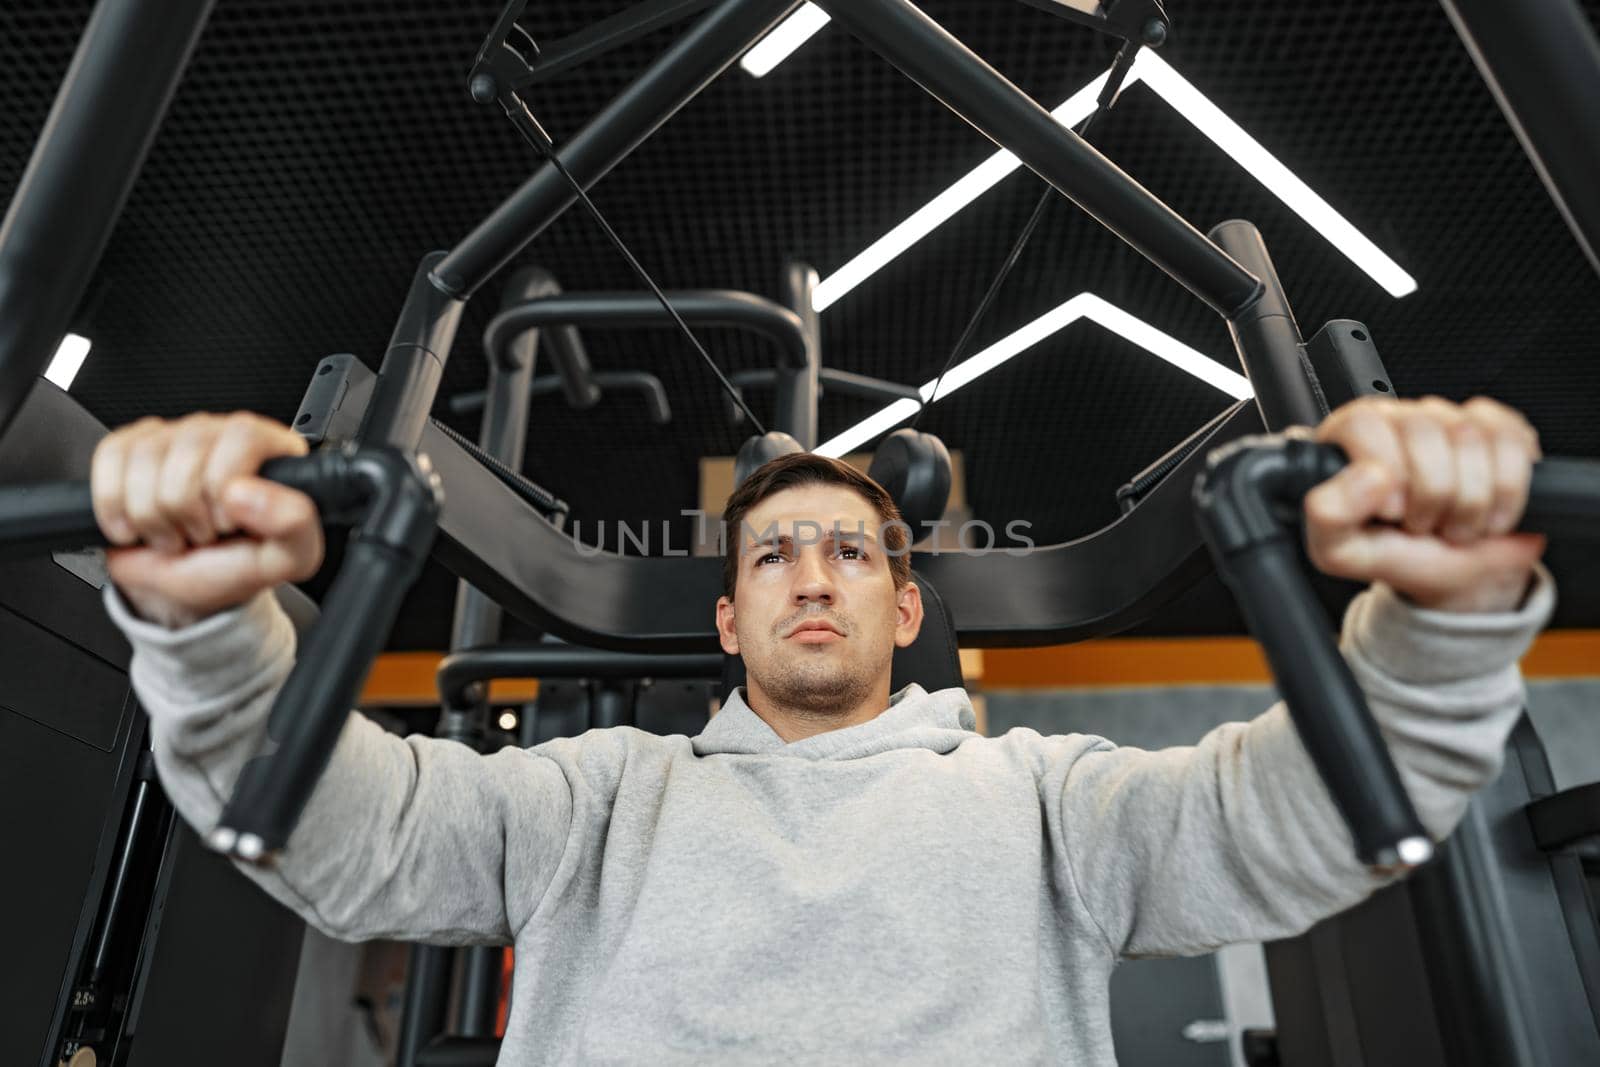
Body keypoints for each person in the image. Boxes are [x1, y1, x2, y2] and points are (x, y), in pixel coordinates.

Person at [91, 395, 1553, 1064]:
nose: (811, 575)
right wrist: (211, 628)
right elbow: (346, 837)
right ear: (727, 620)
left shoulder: (1040, 800)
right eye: (775, 555)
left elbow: (1287, 828)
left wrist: (1443, 622)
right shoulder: (600, 797)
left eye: (851, 553)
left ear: (906, 609)